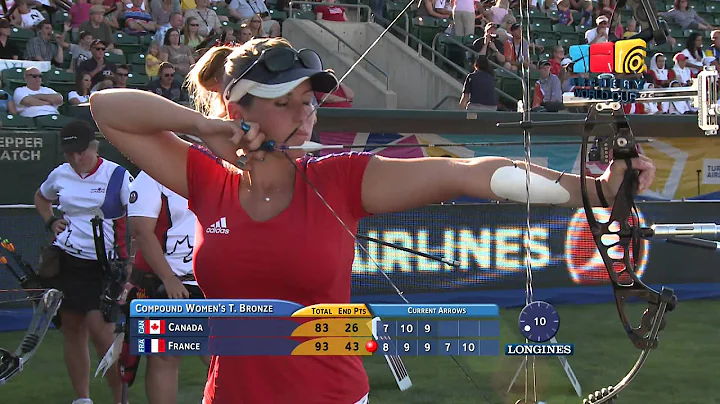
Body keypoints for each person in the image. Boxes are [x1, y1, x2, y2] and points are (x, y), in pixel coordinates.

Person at [89, 37, 657, 403]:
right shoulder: (209, 182)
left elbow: (471, 173)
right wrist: (209, 129)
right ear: (242, 109)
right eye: (286, 101)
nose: (305, 112)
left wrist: (597, 190)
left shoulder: (341, 177)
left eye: (309, 100)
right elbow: (106, 108)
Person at [33, 120, 130, 404]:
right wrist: (51, 220)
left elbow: (135, 218)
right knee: (73, 326)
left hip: (105, 265)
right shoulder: (60, 174)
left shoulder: (117, 175)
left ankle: (119, 399)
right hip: (68, 259)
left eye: (81, 152)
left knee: (103, 335)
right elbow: (42, 197)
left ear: (93, 147)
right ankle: (82, 398)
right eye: (70, 153)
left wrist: (130, 262)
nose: (76, 159)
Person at [125, 168, 211, 404]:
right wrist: (168, 278)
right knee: (165, 356)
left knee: (222, 356)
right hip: (168, 283)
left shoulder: (216, 167)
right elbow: (141, 231)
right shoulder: (151, 176)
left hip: (214, 281)